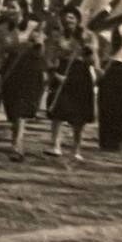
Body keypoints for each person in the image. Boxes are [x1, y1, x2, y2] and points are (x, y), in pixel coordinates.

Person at [45, 8, 95, 161]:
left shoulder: (87, 36)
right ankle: (55, 145)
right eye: (65, 18)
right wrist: (55, 74)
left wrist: (87, 50)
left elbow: (91, 61)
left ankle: (76, 149)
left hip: (80, 74)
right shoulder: (56, 36)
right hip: (61, 72)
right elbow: (50, 56)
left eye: (72, 18)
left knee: (79, 114)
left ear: (78, 20)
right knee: (57, 109)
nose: (68, 21)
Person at [0, 11, 45, 161]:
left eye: (14, 6)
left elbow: (42, 52)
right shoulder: (3, 28)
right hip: (10, 70)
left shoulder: (35, 25)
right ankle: (16, 137)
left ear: (22, 8)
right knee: (12, 109)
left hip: (30, 69)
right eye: (8, 6)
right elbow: (0, 52)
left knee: (20, 110)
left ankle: (17, 146)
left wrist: (38, 42)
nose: (10, 10)